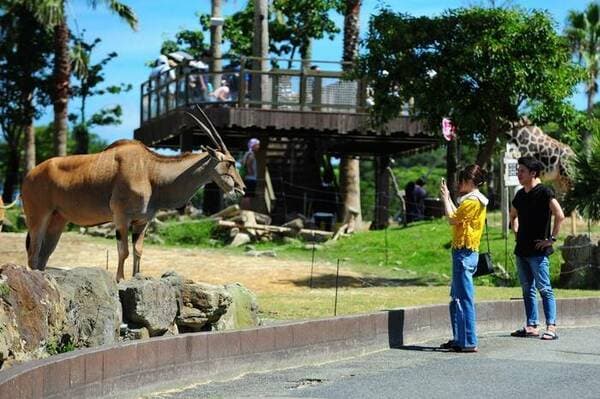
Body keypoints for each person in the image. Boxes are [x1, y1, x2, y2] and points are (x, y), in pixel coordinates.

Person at [509, 156, 565, 341]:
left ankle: (551, 326)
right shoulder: (520, 194)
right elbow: (513, 215)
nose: (518, 174)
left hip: (538, 251)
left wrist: (551, 239)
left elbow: (560, 215)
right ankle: (532, 325)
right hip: (522, 250)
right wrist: (516, 232)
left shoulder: (544, 192)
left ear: (533, 173)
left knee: (544, 288)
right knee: (527, 289)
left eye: (522, 171)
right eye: (518, 170)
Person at [439, 165, 488, 352]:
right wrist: (449, 198)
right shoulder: (473, 200)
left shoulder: (472, 202)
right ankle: (460, 338)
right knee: (457, 298)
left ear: (469, 181)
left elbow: (451, 219)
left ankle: (468, 340)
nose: (459, 183)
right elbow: (457, 216)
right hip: (466, 252)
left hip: (464, 253)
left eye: (461, 180)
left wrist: (445, 199)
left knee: (463, 298)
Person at [240, 138, 260, 209]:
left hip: (247, 178)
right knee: (248, 196)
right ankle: (246, 212)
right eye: (257, 145)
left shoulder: (247, 153)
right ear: (253, 145)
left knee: (246, 195)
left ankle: (243, 211)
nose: (258, 147)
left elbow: (243, 163)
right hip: (251, 179)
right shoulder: (251, 154)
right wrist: (251, 172)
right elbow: (248, 164)